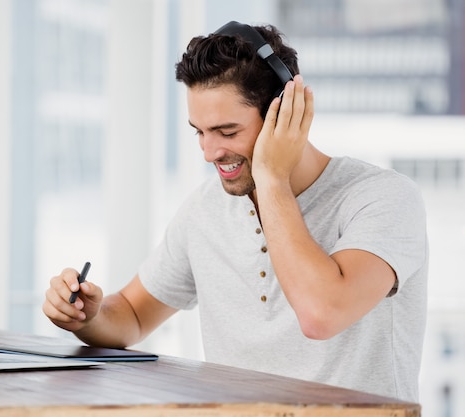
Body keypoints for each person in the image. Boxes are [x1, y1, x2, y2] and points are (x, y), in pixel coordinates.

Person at [43, 21, 428, 402]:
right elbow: (133, 314)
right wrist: (88, 317)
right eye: (200, 132)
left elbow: (321, 314)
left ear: (286, 113)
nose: (209, 152)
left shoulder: (383, 197)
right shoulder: (204, 209)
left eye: (227, 132)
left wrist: (272, 179)